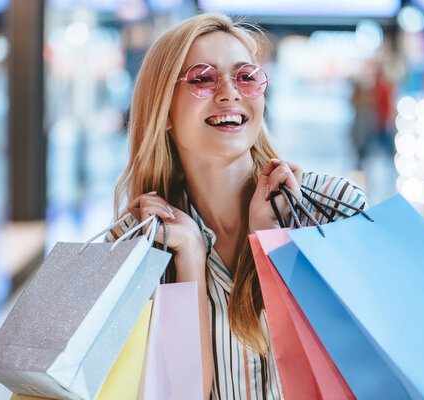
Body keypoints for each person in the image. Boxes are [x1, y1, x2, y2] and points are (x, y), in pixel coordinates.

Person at [108, 13, 367, 399]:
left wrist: (269, 243)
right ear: (162, 110)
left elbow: (356, 370)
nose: (230, 93)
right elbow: (179, 395)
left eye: (246, 76)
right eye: (202, 78)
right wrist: (191, 256)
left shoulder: (332, 211)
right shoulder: (138, 244)